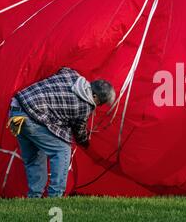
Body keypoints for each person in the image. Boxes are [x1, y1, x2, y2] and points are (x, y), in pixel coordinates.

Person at [7, 67, 115, 198]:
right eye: (100, 103)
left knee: (34, 157)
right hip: (32, 117)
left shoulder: (71, 74)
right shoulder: (85, 106)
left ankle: (34, 197)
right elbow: (79, 132)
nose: (97, 106)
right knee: (62, 150)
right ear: (94, 96)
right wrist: (86, 144)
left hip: (15, 112)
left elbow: (62, 68)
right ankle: (55, 196)